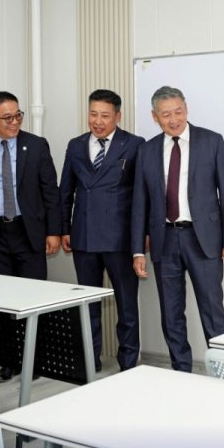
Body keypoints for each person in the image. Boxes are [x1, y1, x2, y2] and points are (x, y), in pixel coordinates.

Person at [132, 86, 224, 372]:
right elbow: (140, 203)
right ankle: (181, 371)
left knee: (212, 310)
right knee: (171, 313)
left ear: (186, 109)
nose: (174, 119)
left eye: (178, 112)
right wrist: (137, 250)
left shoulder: (212, 141)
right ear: (155, 117)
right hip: (164, 239)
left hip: (203, 239)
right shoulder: (147, 151)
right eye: (166, 114)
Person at [59, 89, 143, 372]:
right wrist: (64, 229)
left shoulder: (134, 144)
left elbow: (143, 195)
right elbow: (65, 191)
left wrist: (140, 238)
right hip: (83, 237)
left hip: (120, 238)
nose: (97, 121)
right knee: (88, 303)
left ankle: (128, 364)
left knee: (126, 305)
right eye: (93, 114)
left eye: (105, 116)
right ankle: (89, 362)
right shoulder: (75, 145)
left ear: (118, 116)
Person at [0, 91, 61, 281]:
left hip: (29, 230)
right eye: (8, 118)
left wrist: (53, 231)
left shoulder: (36, 145)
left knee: (34, 290)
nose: (15, 122)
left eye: (18, 115)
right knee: (2, 291)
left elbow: (50, 191)